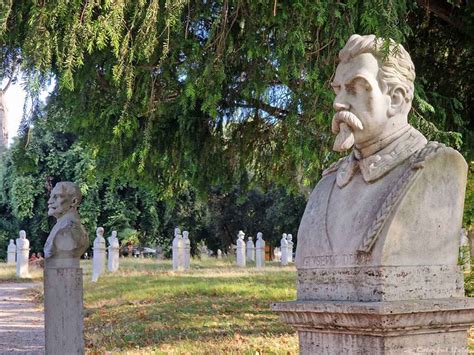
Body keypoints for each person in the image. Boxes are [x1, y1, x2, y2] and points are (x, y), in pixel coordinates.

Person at [296, 34, 467, 269]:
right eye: (338, 90)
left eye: (355, 88)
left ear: (395, 99)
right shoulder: (326, 185)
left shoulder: (439, 168)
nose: (338, 103)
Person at [44, 182, 89, 267]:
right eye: (51, 196)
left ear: (74, 201)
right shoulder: (61, 227)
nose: (49, 201)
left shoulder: (69, 231)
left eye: (56, 197)